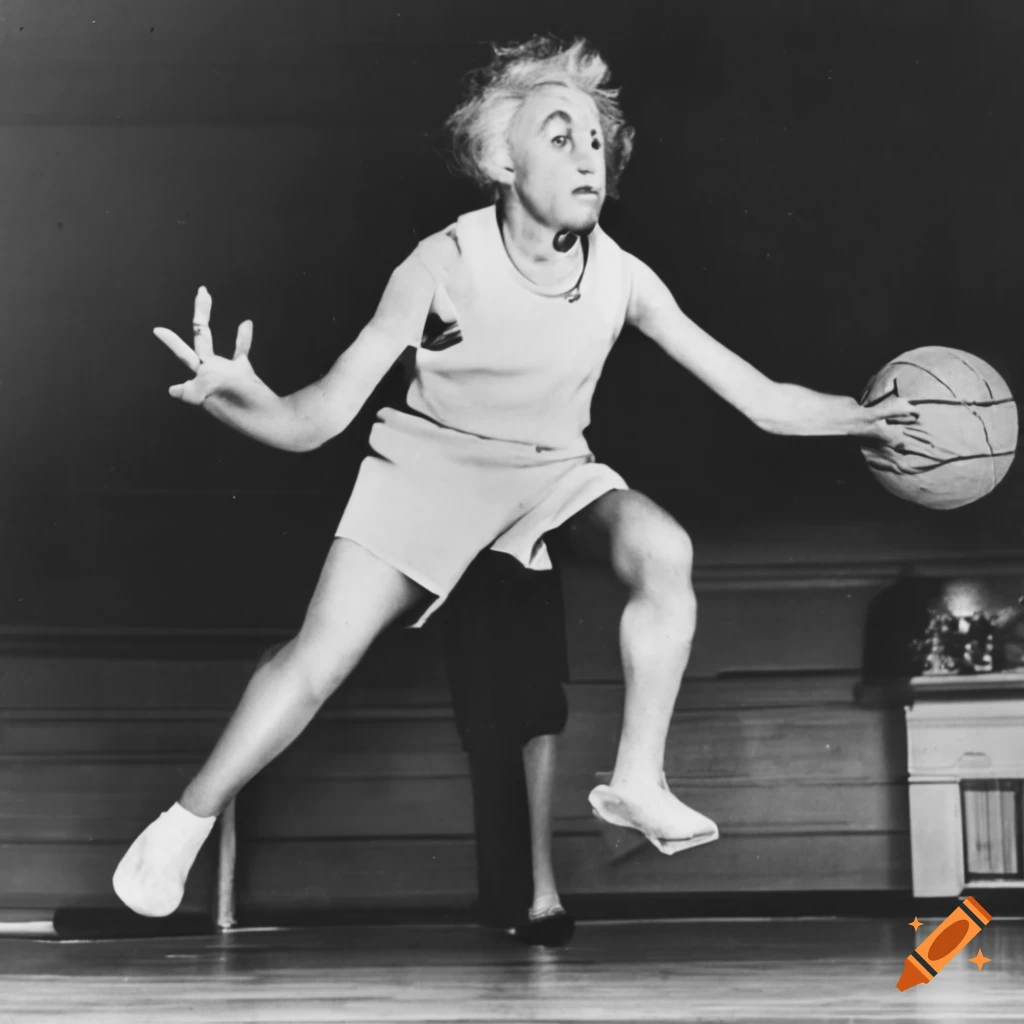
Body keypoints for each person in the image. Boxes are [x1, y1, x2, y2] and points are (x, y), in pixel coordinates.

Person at [112, 35, 929, 919]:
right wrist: (241, 397)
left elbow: (760, 399)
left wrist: (861, 413)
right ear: (501, 159)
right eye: (559, 135)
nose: (588, 155)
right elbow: (318, 421)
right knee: (317, 662)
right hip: (433, 468)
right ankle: (181, 826)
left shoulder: (623, 277)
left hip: (550, 474)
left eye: (595, 139)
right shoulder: (442, 265)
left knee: (662, 547)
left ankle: (637, 779)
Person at [440, 548, 575, 947]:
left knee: (539, 704)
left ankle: (540, 893)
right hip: (457, 540)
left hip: (527, 534)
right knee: (484, 713)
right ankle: (512, 897)